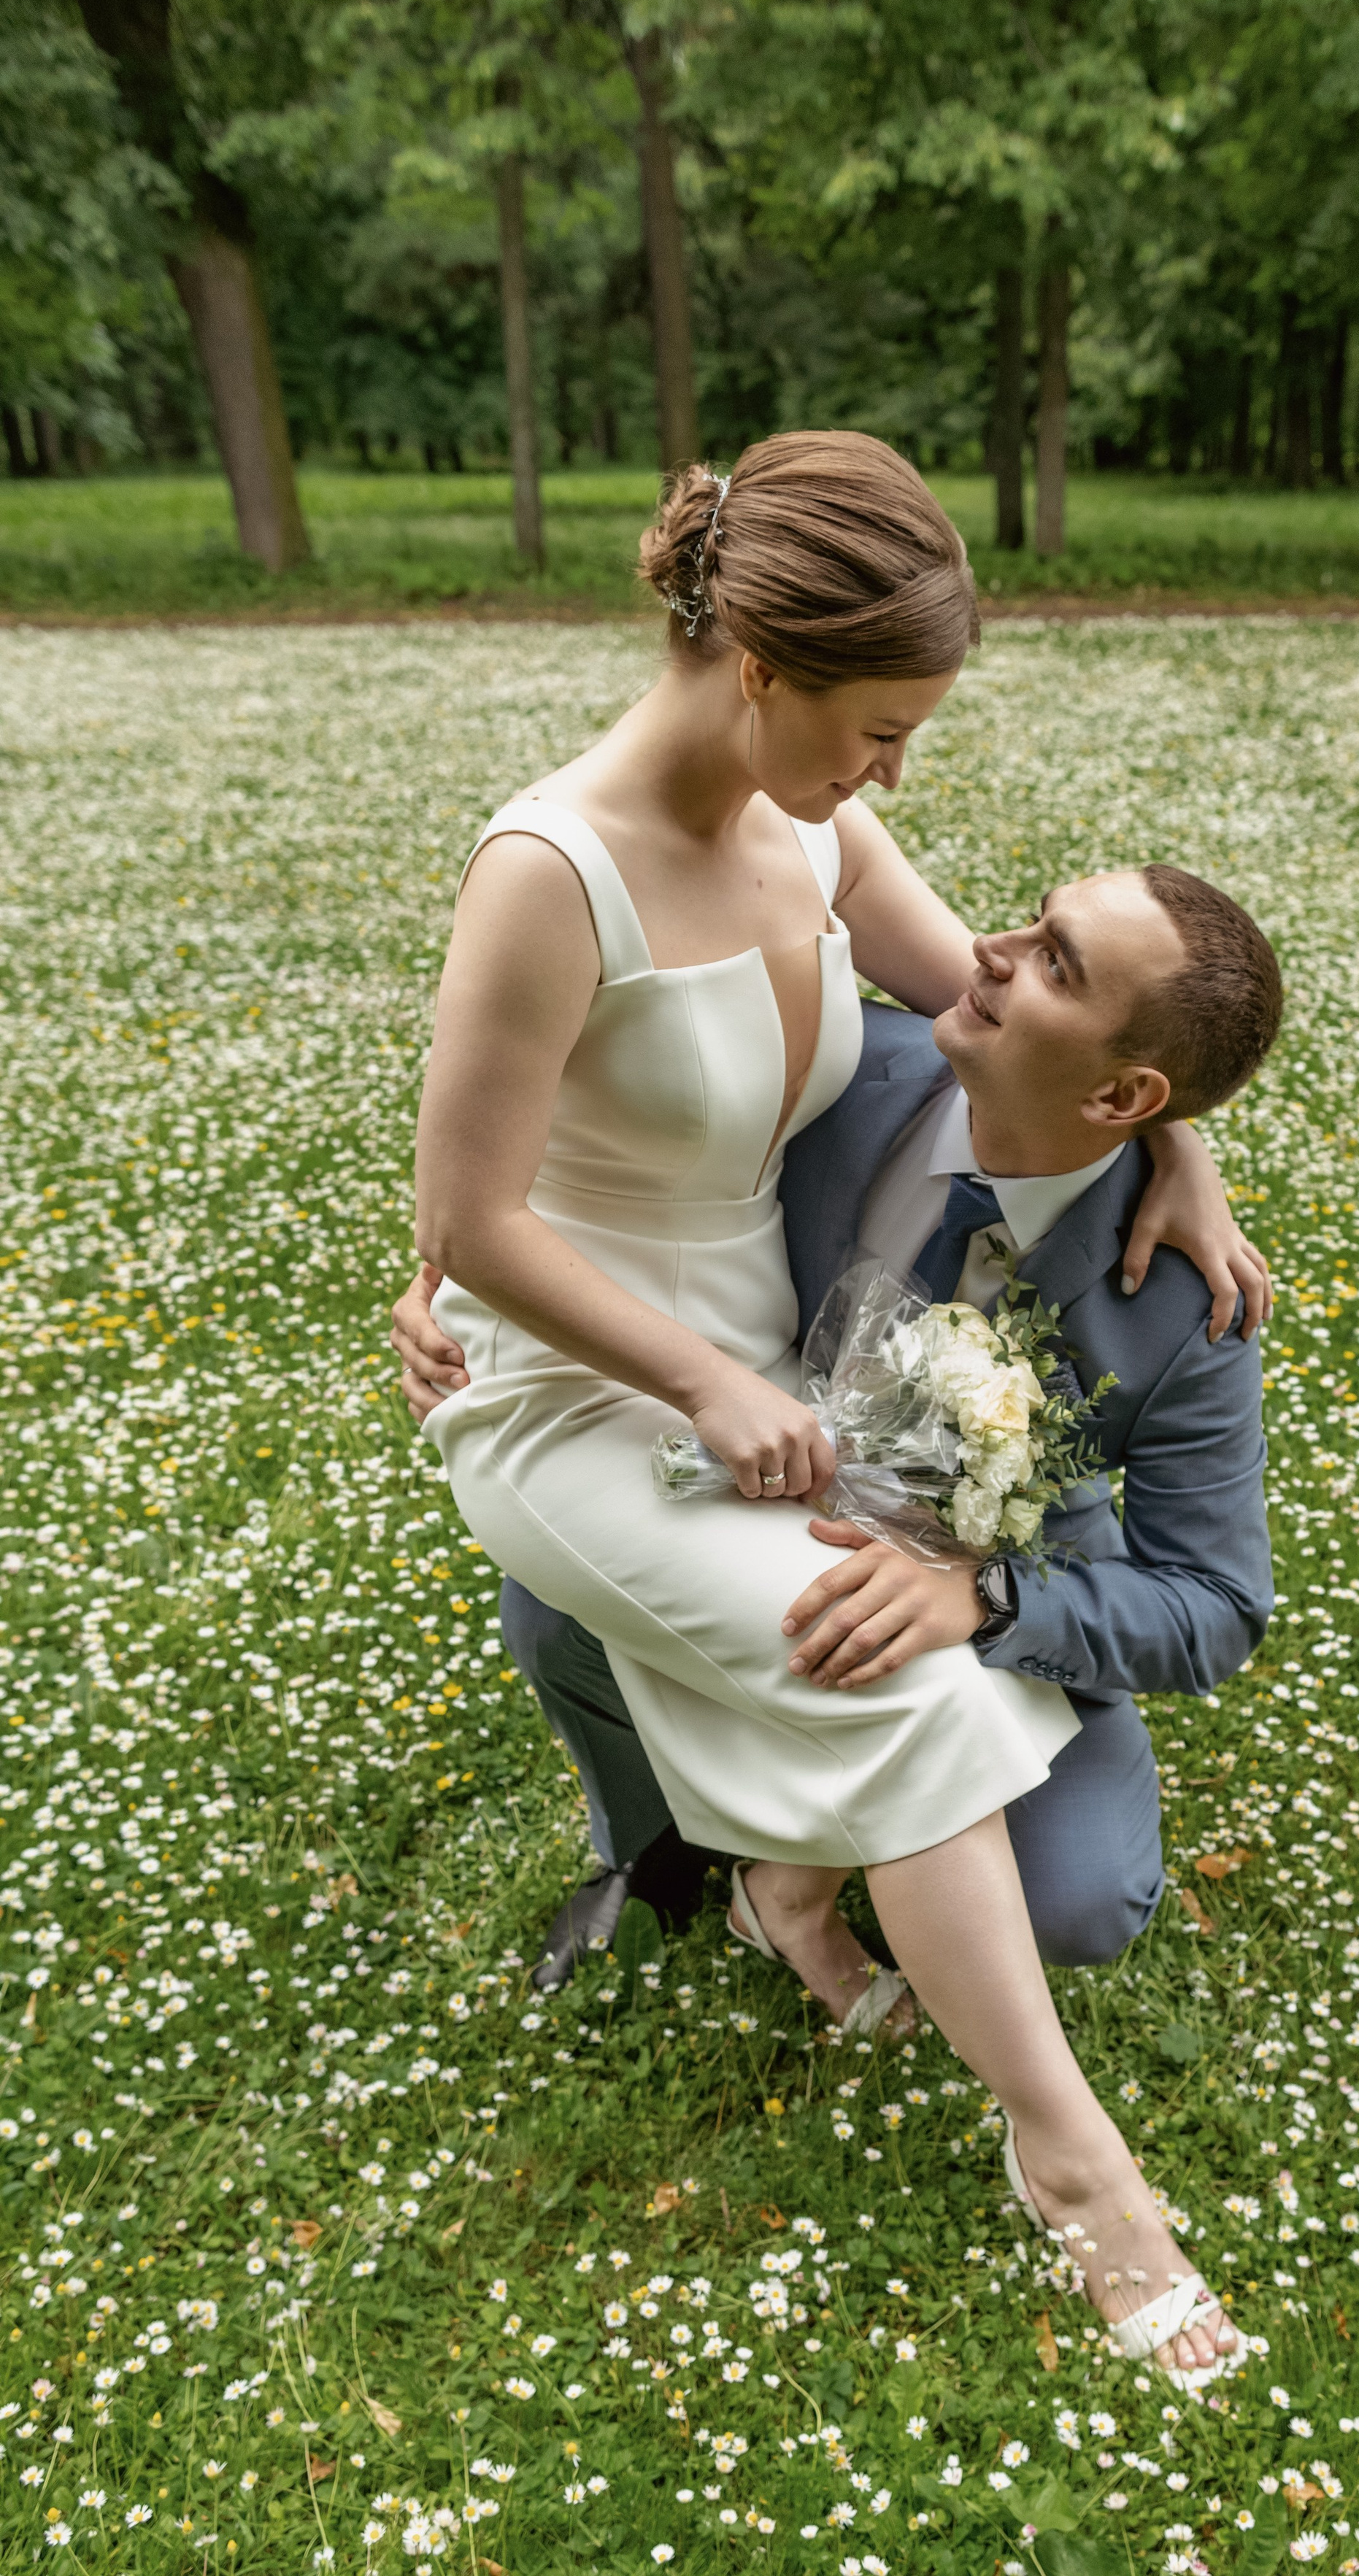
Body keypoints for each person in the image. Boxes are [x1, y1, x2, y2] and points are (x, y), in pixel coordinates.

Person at [409, 430, 1263, 2382]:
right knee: (877, 1664)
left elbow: (1031, 1017)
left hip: (767, 1375)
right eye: (879, 727)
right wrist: (697, 1372)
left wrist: (1184, 1161)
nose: (895, 776)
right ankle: (1084, 2179)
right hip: (577, 1389)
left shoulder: (816, 830)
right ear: (762, 667)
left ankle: (802, 1912)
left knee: (919, 1653)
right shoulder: (550, 869)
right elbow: (470, 1210)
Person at [396, 871, 1280, 2009]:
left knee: (1080, 1897)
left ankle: (817, 1860)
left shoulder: (1187, 1302)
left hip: (979, 1584)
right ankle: (660, 1847)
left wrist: (990, 1597)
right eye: (1036, 915)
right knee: (558, 1604)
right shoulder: (824, 1071)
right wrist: (447, 1285)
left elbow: (1217, 1601)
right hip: (741, 1496)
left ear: (1125, 1097)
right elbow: (564, 1158)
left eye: (1056, 960)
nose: (994, 948)